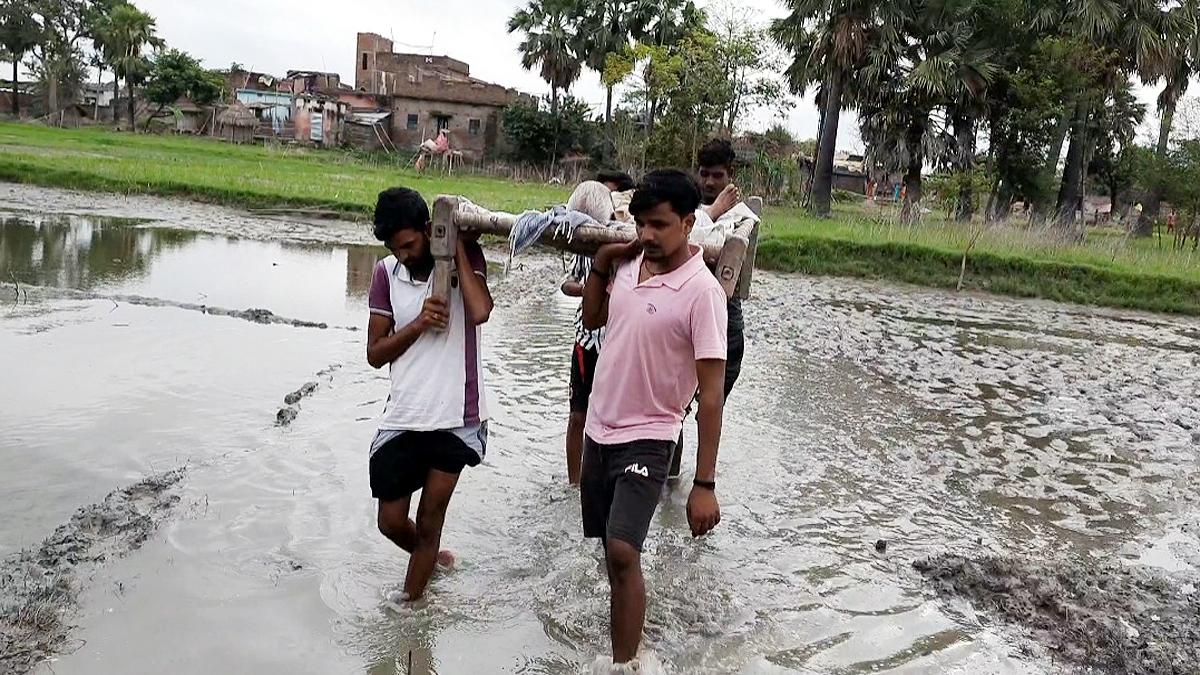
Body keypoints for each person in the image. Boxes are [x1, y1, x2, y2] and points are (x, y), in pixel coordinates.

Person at [580, 170, 727, 665]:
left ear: (688, 223)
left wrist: (704, 483)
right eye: (641, 223)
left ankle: (624, 665)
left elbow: (711, 396)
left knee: (623, 550)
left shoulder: (703, 292)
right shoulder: (627, 265)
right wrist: (602, 262)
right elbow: (593, 319)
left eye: (660, 225)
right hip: (598, 427)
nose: (647, 234)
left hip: (651, 433)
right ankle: (631, 631)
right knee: (610, 551)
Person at [365, 187, 493, 604]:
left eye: (409, 244)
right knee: (390, 521)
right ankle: (432, 560)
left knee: (429, 518)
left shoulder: (466, 258)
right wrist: (419, 323)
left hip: (456, 416)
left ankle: (408, 609)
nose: (402, 255)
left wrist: (456, 250)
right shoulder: (386, 274)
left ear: (428, 230)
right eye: (394, 248)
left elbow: (480, 311)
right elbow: (375, 353)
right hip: (405, 413)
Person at [667, 139, 757, 480]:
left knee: (708, 407)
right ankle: (669, 483)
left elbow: (694, 241)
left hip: (723, 324)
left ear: (730, 176)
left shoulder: (741, 215)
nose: (708, 182)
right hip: (682, 320)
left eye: (717, 175)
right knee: (672, 410)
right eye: (703, 173)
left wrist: (715, 210)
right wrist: (710, 210)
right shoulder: (685, 206)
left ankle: (700, 482)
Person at [560, 180, 619, 484]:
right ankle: (575, 482)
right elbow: (566, 283)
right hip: (586, 342)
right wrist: (587, 290)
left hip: (617, 344)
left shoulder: (622, 246)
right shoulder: (581, 246)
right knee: (577, 416)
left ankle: (606, 478)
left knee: (613, 416)